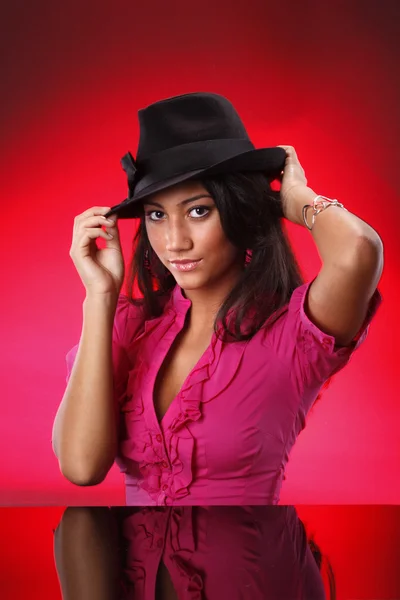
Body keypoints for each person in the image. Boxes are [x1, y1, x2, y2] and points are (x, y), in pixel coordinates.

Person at [52, 92, 383, 506]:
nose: (175, 241)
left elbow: (359, 250)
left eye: (198, 211)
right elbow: (81, 467)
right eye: (157, 215)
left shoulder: (292, 335)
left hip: (253, 564)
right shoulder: (129, 327)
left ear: (238, 209)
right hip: (135, 570)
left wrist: (295, 200)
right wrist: (100, 297)